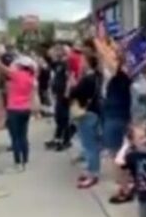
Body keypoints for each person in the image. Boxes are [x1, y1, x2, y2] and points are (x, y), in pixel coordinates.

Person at [93, 35, 133, 203]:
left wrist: (98, 38)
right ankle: (128, 184)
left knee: (116, 155)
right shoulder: (129, 76)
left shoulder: (120, 75)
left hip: (115, 117)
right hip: (122, 115)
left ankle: (124, 188)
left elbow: (104, 56)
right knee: (122, 153)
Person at [0, 47, 36, 172]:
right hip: (26, 109)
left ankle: (17, 162)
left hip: (14, 109)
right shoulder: (31, 78)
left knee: (15, 137)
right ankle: (25, 160)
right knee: (23, 136)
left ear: (20, 66)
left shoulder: (16, 75)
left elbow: (0, 66)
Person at [72, 55, 102, 188]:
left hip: (86, 113)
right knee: (93, 145)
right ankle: (91, 170)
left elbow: (74, 93)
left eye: (83, 60)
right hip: (95, 112)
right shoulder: (98, 77)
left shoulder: (87, 79)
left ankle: (92, 173)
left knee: (90, 146)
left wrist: (72, 86)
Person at [47, 45, 73, 151]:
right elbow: (50, 56)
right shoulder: (59, 64)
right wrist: (55, 50)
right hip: (58, 94)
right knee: (58, 117)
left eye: (62, 51)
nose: (60, 52)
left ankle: (66, 140)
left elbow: (70, 78)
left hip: (64, 95)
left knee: (64, 118)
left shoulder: (68, 64)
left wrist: (67, 92)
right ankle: (57, 138)